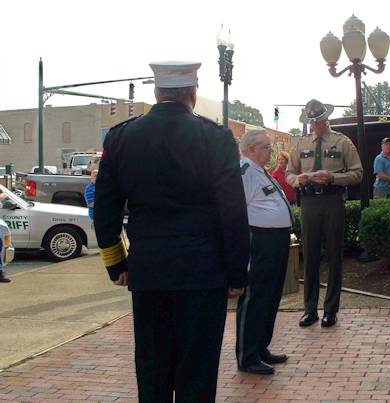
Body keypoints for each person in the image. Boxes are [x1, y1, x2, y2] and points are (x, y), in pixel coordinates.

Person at [94, 61, 249, 402]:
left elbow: (105, 208)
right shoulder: (216, 137)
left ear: (156, 92)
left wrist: (116, 264)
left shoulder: (121, 137)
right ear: (192, 92)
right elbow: (233, 211)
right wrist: (236, 273)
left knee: (152, 370)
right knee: (198, 370)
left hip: (149, 270)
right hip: (204, 271)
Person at [286, 99, 363, 328]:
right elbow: (289, 172)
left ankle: (331, 309)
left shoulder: (342, 142)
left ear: (325, 119)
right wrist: (297, 181)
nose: (315, 126)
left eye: (319, 121)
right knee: (309, 257)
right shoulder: (300, 144)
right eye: (312, 122)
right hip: (309, 201)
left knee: (334, 256)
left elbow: (358, 173)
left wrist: (333, 177)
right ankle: (309, 309)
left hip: (332, 200)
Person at [236, 130, 293, 375]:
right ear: (251, 149)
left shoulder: (260, 171)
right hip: (259, 240)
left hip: (275, 240)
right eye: (266, 147)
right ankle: (246, 355)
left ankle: (260, 348)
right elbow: (237, 210)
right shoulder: (246, 171)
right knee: (255, 296)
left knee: (270, 296)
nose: (270, 151)